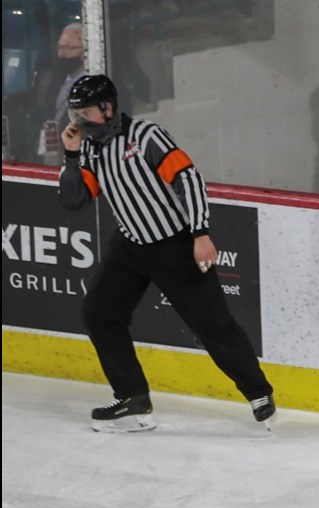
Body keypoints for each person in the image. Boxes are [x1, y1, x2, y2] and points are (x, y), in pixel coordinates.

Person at [57, 74, 275, 433]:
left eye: (85, 113)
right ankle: (133, 397)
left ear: (108, 108)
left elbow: (187, 178)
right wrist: (69, 156)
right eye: (74, 113)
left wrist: (200, 232)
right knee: (98, 312)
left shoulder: (145, 136)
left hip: (173, 243)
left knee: (213, 326)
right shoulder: (91, 148)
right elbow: (74, 200)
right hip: (129, 246)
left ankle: (259, 392)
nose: (78, 121)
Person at [29, 22, 87, 164]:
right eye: (60, 47)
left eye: (69, 48)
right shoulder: (56, 80)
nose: (62, 53)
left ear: (85, 52)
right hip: (49, 155)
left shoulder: (92, 84)